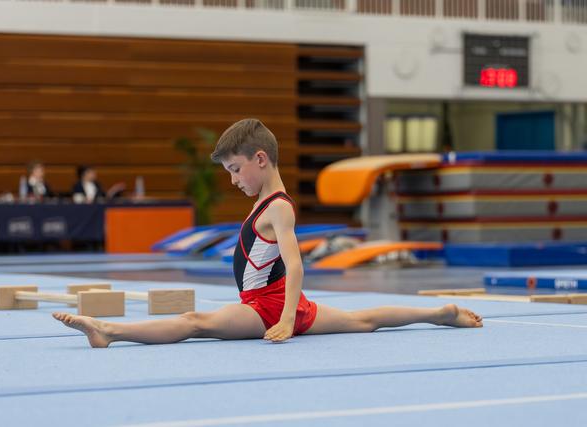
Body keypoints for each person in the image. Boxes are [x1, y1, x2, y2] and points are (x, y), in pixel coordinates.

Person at [53, 119, 483, 347]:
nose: (234, 180)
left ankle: (108, 330)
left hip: (268, 306)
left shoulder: (278, 208)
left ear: (261, 159)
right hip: (272, 303)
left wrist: (281, 320)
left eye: (236, 170)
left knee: (194, 322)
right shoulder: (264, 203)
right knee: (362, 320)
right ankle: (440, 314)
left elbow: (296, 267)